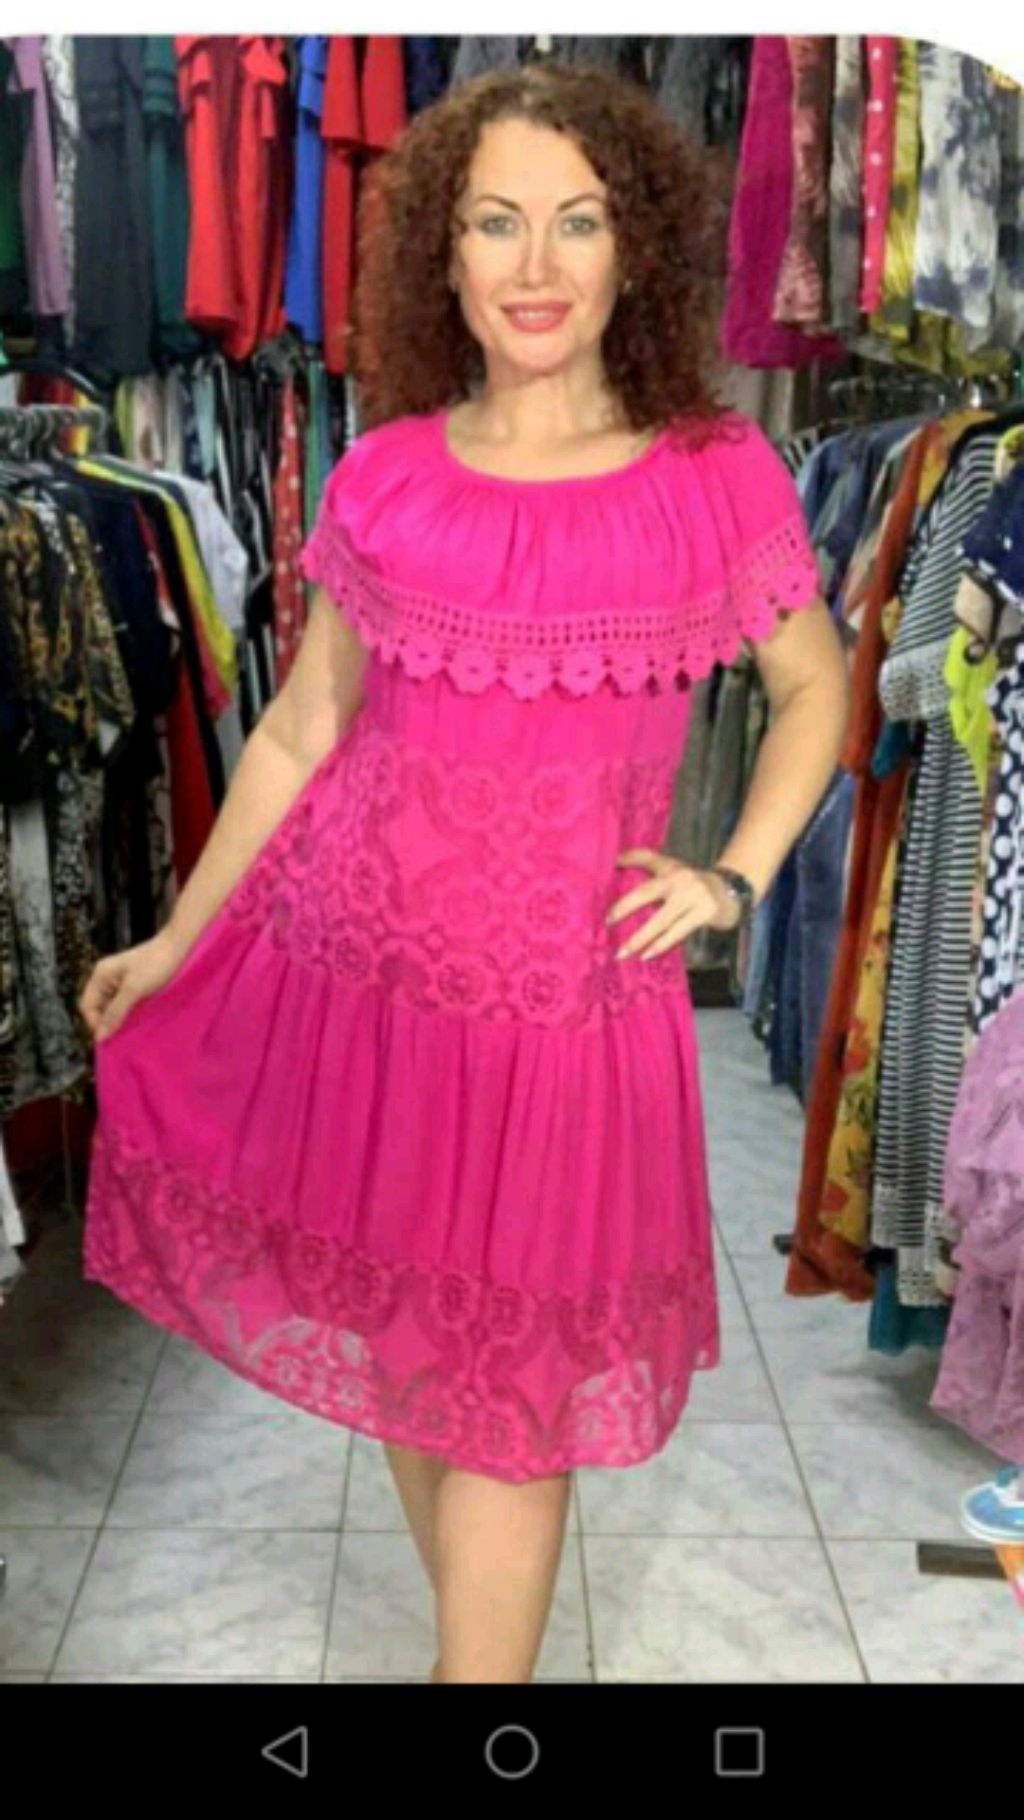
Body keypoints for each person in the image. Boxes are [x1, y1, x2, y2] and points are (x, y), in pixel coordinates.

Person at [79, 63, 849, 1684]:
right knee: (413, 1354)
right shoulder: (385, 473)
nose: (537, 265)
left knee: (514, 1403)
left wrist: (731, 878)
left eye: (579, 222)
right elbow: (299, 731)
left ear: (638, 248)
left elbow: (814, 691)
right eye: (498, 222)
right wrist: (175, 941)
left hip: (568, 1024)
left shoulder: (713, 471)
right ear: (445, 249)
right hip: (363, 993)